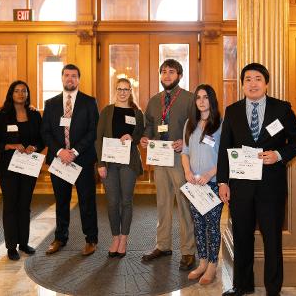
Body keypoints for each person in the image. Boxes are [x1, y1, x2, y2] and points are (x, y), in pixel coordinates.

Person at [217, 63, 296, 296]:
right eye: (248, 79)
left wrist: (278, 155)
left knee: (272, 240)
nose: (253, 83)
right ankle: (241, 286)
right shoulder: (233, 110)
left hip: (271, 187)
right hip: (241, 187)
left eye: (258, 79)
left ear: (266, 83)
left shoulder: (282, 109)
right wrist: (223, 182)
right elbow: (225, 148)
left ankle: (273, 289)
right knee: (242, 238)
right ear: (243, 84)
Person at [140, 59, 196, 271]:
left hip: (181, 158)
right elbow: (149, 126)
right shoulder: (154, 101)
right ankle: (163, 245)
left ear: (180, 75)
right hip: (159, 158)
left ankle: (188, 250)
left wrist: (186, 141)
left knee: (184, 205)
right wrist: (145, 139)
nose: (167, 76)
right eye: (163, 72)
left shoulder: (190, 99)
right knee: (163, 203)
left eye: (171, 72)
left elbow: (197, 126)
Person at [41, 64, 99, 256]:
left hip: (82, 159)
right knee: (61, 201)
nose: (70, 79)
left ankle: (91, 239)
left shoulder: (90, 102)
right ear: (62, 78)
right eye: (67, 75)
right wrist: (60, 151)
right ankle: (60, 238)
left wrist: (74, 151)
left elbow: (93, 131)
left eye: (74, 76)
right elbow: (45, 132)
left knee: (87, 201)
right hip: (59, 160)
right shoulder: (50, 104)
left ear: (79, 79)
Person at [0, 80, 45, 260]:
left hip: (29, 166)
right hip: (8, 168)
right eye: (17, 91)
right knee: (11, 206)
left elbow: (41, 139)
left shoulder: (35, 115)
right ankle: (11, 246)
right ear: (11, 94)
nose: (21, 94)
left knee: (25, 206)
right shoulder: (1, 115)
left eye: (24, 91)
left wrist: (34, 147)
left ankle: (23, 243)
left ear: (28, 94)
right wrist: (10, 145)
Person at [95, 78, 145, 258]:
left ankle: (124, 238)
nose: (123, 92)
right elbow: (98, 138)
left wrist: (132, 137)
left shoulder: (136, 113)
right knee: (112, 202)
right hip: (109, 162)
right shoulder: (107, 111)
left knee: (126, 201)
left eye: (126, 89)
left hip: (128, 162)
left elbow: (140, 135)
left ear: (131, 91)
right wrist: (100, 163)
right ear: (115, 90)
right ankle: (115, 237)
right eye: (119, 89)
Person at [181, 84, 223, 285]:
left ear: (211, 100)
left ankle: (213, 264)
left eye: (205, 97)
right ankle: (203, 261)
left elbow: (225, 156)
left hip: (213, 183)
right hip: (194, 185)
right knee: (198, 225)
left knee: (212, 226)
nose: (201, 101)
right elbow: (185, 153)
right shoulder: (190, 123)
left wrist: (209, 174)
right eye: (198, 97)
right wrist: (188, 172)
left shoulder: (221, 123)